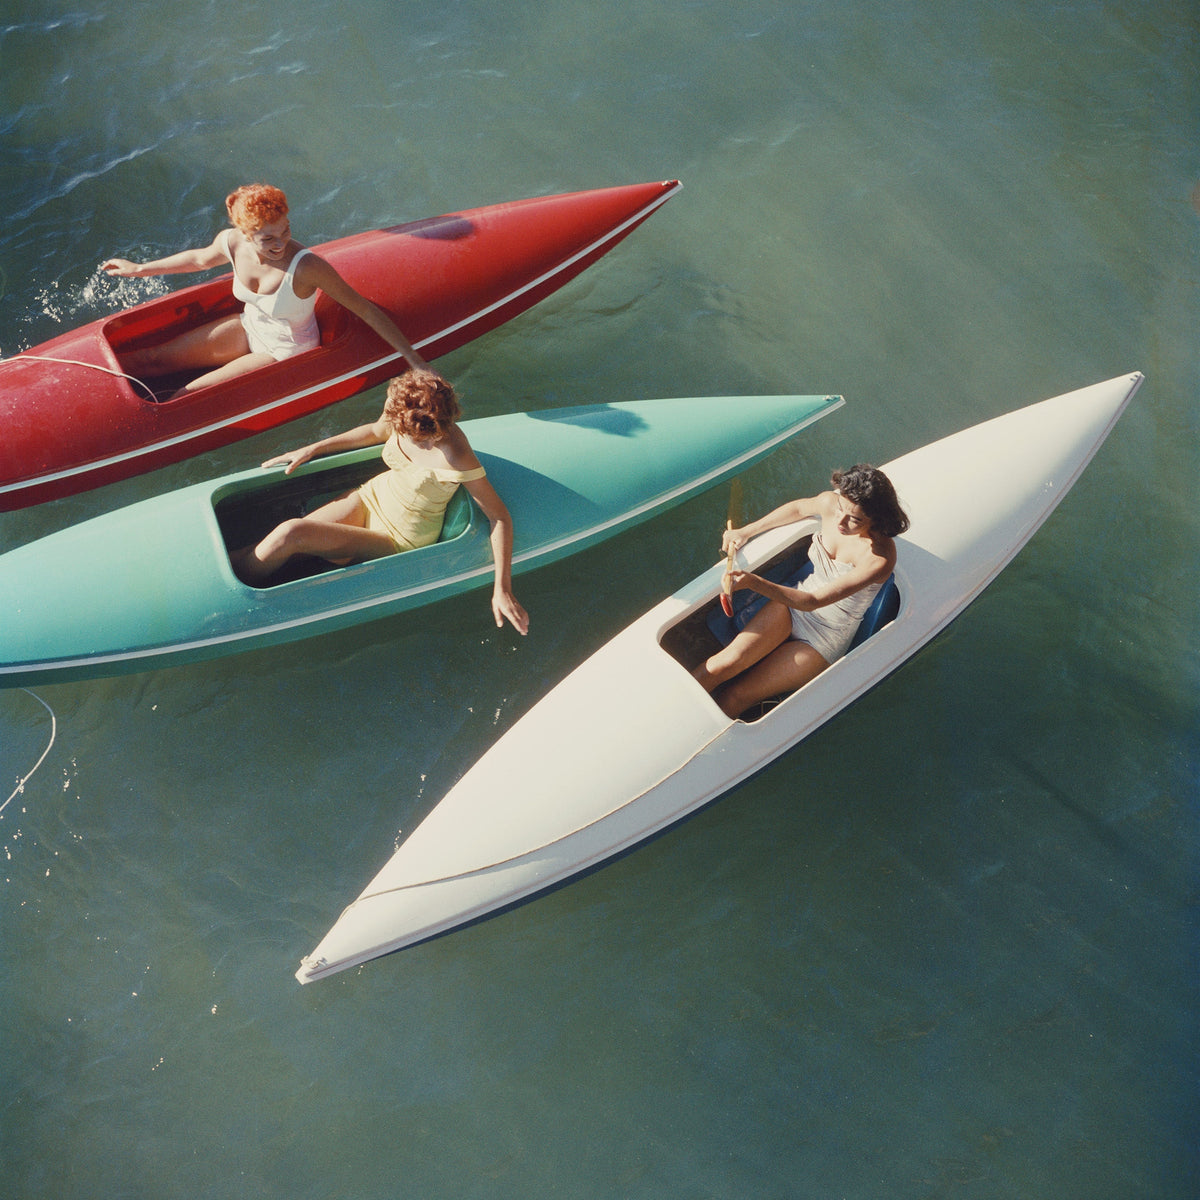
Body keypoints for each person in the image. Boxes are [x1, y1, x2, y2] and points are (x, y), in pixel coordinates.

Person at [230, 369, 529, 634]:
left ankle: (230, 598)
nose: (424, 445)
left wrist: (502, 588)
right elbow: (374, 431)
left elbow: (499, 517)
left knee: (290, 533)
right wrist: (314, 448)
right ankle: (230, 565)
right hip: (371, 496)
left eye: (430, 438)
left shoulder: (457, 455)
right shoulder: (401, 407)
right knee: (276, 545)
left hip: (399, 536)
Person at [101, 182, 426, 396]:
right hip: (250, 326)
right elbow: (199, 260)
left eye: (284, 231)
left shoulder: (307, 267)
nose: (280, 243)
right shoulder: (231, 242)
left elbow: (364, 308)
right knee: (151, 360)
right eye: (267, 238)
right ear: (244, 232)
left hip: (284, 351)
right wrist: (139, 269)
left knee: (183, 395)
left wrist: (416, 362)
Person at [693, 465, 908, 717]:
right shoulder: (830, 503)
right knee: (719, 666)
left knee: (735, 696)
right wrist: (745, 532)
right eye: (841, 508)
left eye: (855, 519)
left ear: (876, 519)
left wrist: (753, 582)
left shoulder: (879, 557)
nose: (840, 521)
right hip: (791, 606)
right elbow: (797, 509)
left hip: (823, 637)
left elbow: (813, 601)